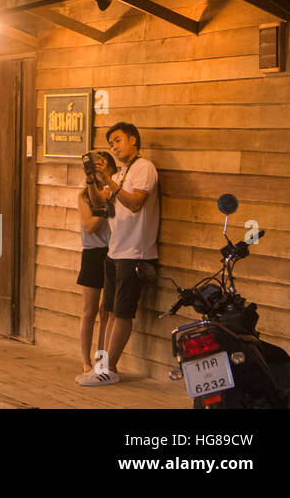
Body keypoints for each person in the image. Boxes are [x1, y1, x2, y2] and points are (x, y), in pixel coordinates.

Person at [77, 122, 160, 387]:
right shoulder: (122, 172)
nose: (114, 146)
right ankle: (102, 365)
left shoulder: (144, 167)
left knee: (123, 312)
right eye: (111, 142)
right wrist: (93, 180)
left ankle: (110, 369)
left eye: (117, 140)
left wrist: (109, 182)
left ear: (133, 140)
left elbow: (136, 203)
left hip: (136, 252)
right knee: (110, 311)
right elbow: (100, 204)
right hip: (115, 251)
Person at [76, 150, 115, 379]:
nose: (98, 168)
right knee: (89, 311)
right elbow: (89, 226)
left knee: (106, 310)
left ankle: (102, 359)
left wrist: (110, 198)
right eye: (94, 165)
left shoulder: (116, 189)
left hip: (113, 252)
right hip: (92, 253)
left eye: (102, 164)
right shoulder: (84, 195)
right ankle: (85, 361)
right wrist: (105, 206)